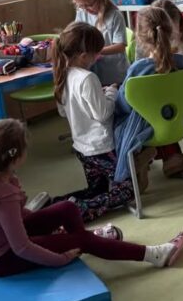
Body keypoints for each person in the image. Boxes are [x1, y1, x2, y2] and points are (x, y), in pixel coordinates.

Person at [0, 119, 183, 277]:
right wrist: (61, 258)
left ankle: (86, 241)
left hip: (4, 241)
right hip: (1, 260)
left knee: (67, 208)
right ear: (16, 155)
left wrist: (47, 226)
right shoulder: (2, 194)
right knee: (82, 241)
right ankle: (154, 255)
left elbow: (19, 217)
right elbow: (21, 248)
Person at [52, 22, 134, 221]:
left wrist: (99, 95)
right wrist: (111, 93)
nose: (98, 57)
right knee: (128, 191)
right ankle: (80, 210)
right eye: (96, 54)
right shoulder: (88, 78)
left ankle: (57, 205)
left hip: (81, 147)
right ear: (83, 56)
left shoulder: (62, 73)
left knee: (97, 189)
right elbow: (102, 114)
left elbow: (63, 111)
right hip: (101, 147)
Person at [115, 6, 183, 187]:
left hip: (146, 130)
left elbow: (124, 104)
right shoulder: (182, 63)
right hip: (180, 124)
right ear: (170, 31)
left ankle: (134, 166)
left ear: (139, 36)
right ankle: (148, 160)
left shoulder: (138, 69)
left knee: (117, 123)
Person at [69, 0, 128, 86]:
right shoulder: (81, 13)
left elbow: (120, 46)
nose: (86, 9)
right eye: (81, 6)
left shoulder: (115, 16)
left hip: (114, 75)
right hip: (93, 74)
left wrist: (94, 52)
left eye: (89, 4)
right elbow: (76, 36)